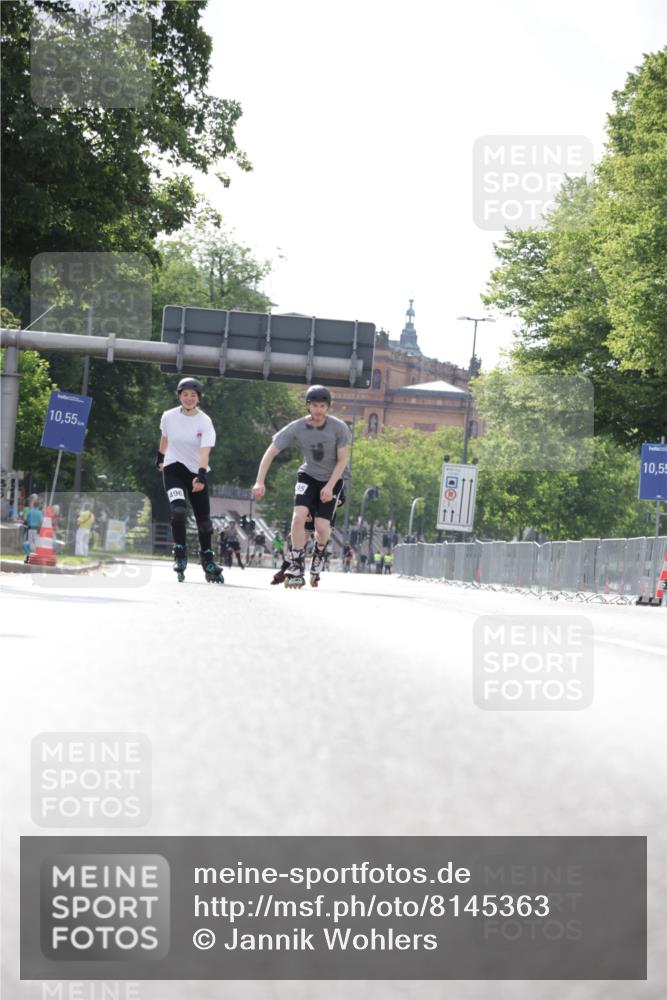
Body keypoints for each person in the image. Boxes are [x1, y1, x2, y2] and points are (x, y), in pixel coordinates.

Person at [252, 385, 350, 587]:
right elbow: (271, 452)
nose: (318, 410)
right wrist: (259, 481)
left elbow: (342, 461)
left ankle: (319, 552)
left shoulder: (339, 427)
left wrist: (330, 487)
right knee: (298, 517)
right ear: (308, 405)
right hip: (308, 476)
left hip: (333, 479)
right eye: (314, 405)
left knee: (321, 527)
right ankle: (296, 563)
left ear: (328, 407)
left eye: (323, 406)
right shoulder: (297, 427)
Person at [156, 377, 224, 583]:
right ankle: (179, 553)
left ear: (199, 399)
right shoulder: (168, 416)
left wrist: (201, 475)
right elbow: (165, 438)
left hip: (196, 470)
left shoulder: (205, 421)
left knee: (204, 522)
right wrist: (160, 457)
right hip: (173, 467)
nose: (188, 398)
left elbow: (205, 451)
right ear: (179, 396)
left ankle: (207, 559)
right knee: (178, 510)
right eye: (185, 394)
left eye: (193, 395)